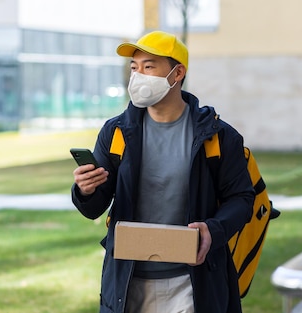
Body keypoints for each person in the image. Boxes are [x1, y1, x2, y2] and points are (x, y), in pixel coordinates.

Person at [72, 30, 255, 313]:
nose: (138, 76)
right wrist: (85, 190)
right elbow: (95, 207)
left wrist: (214, 229)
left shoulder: (217, 136)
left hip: (191, 282)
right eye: (134, 68)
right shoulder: (116, 132)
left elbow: (242, 198)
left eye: (149, 67)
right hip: (128, 283)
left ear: (177, 73)